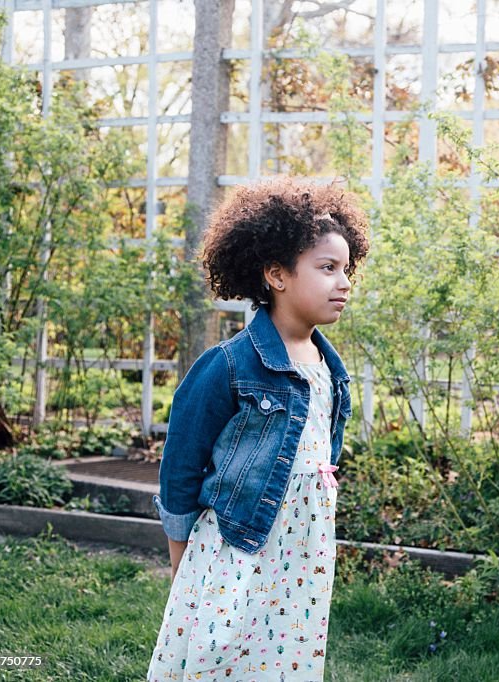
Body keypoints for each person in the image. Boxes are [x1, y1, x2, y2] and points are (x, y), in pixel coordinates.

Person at [146, 177, 369, 681]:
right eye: (328, 268)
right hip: (235, 550)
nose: (344, 283)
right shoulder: (228, 365)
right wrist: (184, 567)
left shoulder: (330, 367)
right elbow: (180, 469)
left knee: (284, 660)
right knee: (218, 657)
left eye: (347, 269)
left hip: (302, 553)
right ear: (276, 274)